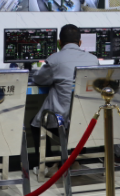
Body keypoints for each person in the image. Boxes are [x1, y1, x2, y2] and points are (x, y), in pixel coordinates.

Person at [30, 24, 99, 169]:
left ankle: (47, 165)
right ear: (80, 42)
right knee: (79, 119)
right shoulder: (93, 60)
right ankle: (76, 159)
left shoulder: (54, 60)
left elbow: (39, 80)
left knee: (35, 123)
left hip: (61, 122)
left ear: (60, 42)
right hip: (86, 121)